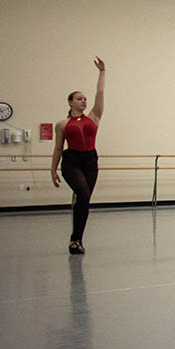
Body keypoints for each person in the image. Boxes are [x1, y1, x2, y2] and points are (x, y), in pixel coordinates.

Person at [49, 57, 106, 254]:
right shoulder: (62, 124)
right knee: (82, 193)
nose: (83, 101)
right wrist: (53, 169)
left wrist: (102, 72)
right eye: (79, 98)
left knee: (84, 199)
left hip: (90, 160)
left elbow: (100, 93)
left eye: (84, 99)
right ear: (70, 102)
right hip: (71, 160)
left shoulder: (93, 117)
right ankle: (75, 239)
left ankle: (77, 239)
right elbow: (57, 148)